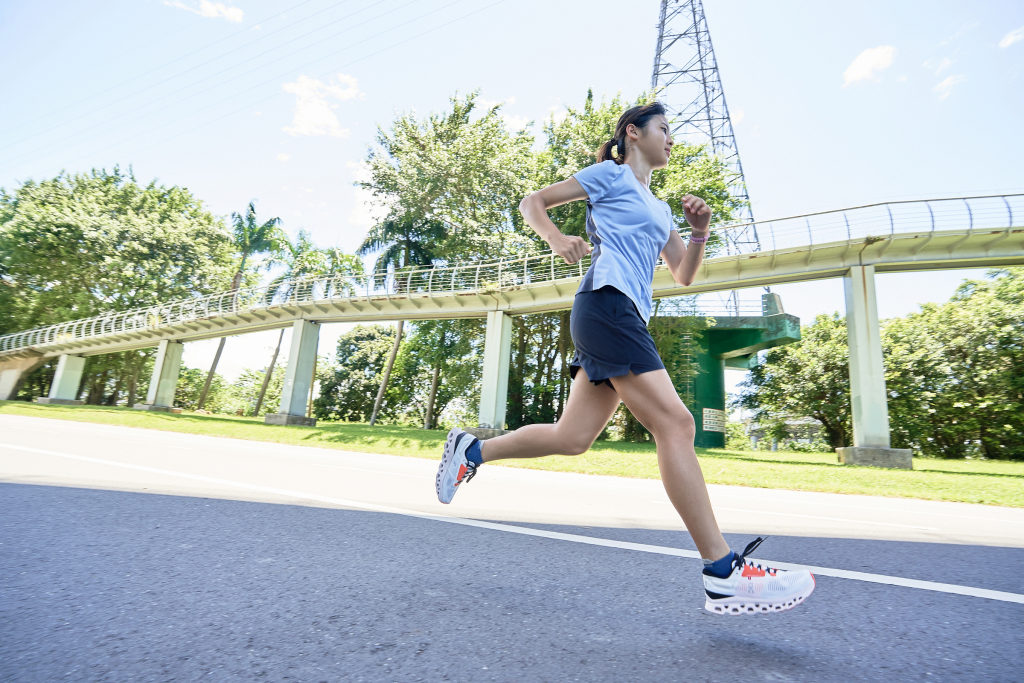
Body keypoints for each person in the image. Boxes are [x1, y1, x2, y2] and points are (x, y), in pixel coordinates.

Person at [435, 102, 815, 615]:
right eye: (664, 129)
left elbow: (683, 273)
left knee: (572, 438)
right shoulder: (611, 176)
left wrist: (699, 231)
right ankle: (722, 571)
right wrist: (557, 238)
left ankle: (471, 451)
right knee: (676, 424)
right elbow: (533, 202)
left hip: (623, 314)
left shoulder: (659, 208)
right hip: (606, 304)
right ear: (633, 133)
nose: (672, 139)